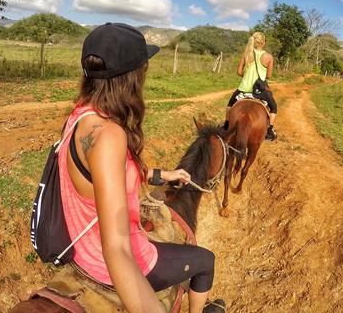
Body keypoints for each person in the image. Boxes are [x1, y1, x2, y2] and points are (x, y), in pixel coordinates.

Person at [58, 22, 223, 313]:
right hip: (103, 263)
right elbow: (117, 249)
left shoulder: (79, 117)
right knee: (205, 261)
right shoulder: (109, 135)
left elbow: (106, 174)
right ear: (133, 77)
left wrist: (164, 175)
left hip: (80, 251)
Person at [224, 31, 277, 140]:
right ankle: (270, 130)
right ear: (263, 42)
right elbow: (269, 76)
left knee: (230, 104)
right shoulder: (269, 57)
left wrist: (247, 76)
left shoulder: (247, 54)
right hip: (260, 91)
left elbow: (239, 71)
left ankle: (226, 125)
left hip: (243, 89)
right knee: (273, 107)